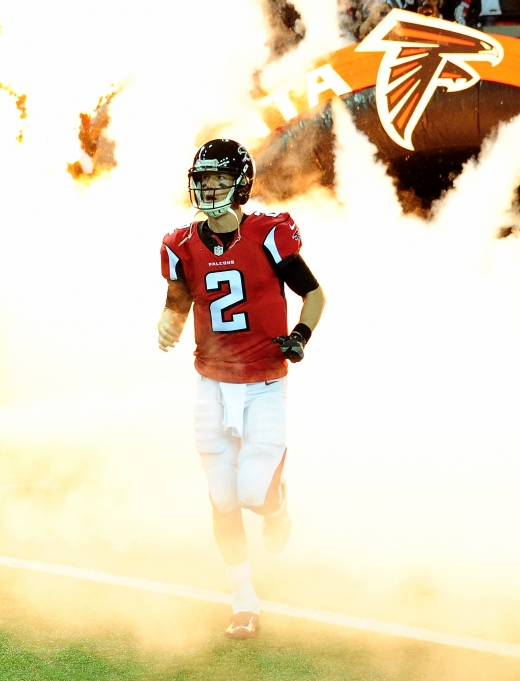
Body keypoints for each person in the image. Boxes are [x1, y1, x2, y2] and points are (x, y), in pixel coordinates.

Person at [157, 139, 325, 640]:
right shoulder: (180, 243)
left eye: (219, 179)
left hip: (264, 381)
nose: (209, 189)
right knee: (222, 496)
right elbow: (177, 300)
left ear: (240, 183)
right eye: (203, 180)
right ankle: (243, 600)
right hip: (212, 380)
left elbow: (313, 295)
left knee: (253, 491)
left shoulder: (269, 234)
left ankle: (277, 505)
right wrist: (167, 321)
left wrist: (299, 337)